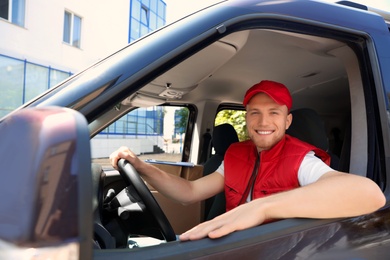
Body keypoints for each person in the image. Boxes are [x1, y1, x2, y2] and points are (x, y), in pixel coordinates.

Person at [110, 80, 385, 241]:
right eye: (254, 113)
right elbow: (189, 192)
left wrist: (263, 208)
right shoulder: (236, 154)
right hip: (233, 247)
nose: (263, 122)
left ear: (287, 121)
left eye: (274, 113)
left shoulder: (302, 159)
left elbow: (370, 194)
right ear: (246, 118)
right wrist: (144, 168)